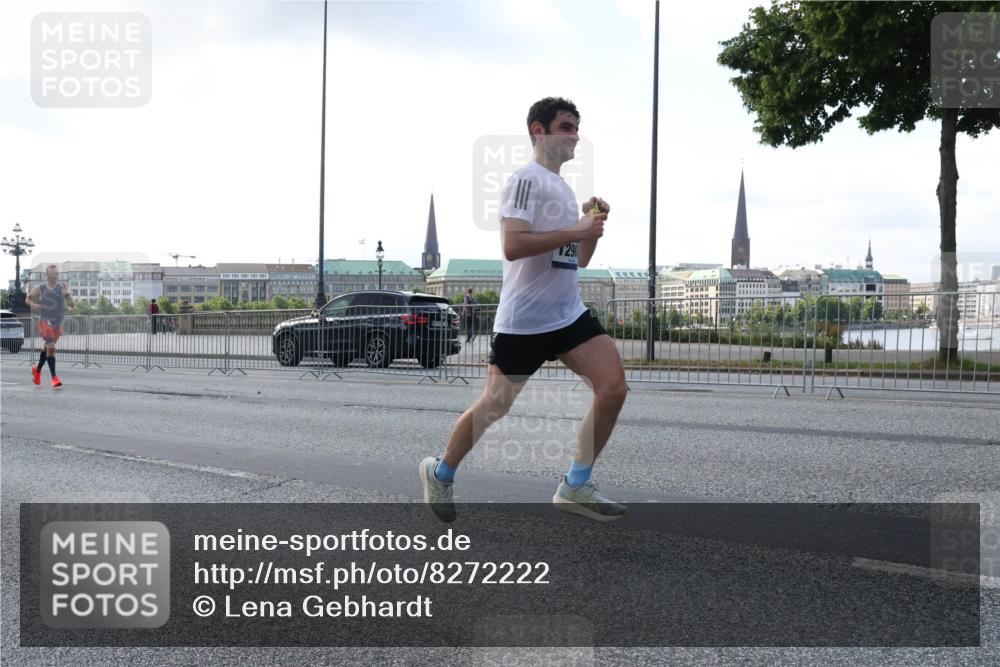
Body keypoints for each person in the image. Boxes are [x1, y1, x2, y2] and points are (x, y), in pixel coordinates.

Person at [419, 97, 628, 523]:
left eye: (576, 127)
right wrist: (576, 228)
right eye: (566, 126)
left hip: (568, 314)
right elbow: (513, 245)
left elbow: (578, 259)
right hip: (525, 321)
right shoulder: (525, 181)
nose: (575, 135)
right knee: (494, 405)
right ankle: (440, 472)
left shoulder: (564, 190)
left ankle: (574, 484)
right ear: (539, 130)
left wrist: (592, 228)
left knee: (613, 388)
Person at [25, 264, 75, 388]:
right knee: (51, 347)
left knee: (47, 348)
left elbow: (72, 305)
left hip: (57, 322)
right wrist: (34, 305)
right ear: (46, 275)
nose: (55, 275)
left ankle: (37, 370)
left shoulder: (61, 289)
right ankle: (54, 378)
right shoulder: (40, 288)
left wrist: (68, 294)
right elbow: (28, 299)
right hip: (45, 320)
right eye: (52, 273)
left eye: (56, 273)